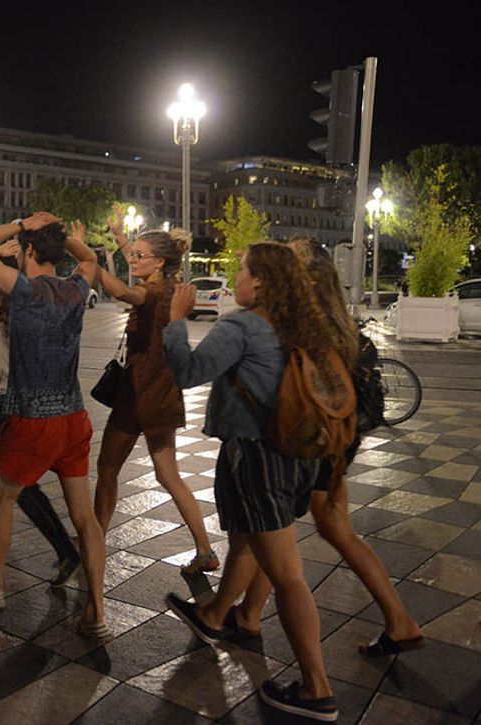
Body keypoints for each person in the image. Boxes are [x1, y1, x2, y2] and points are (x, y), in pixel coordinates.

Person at [163, 242, 341, 722]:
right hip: (297, 454)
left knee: (287, 574)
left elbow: (188, 371)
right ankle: (221, 616)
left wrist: (176, 320)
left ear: (259, 281)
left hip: (256, 457)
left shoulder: (242, 324)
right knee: (249, 540)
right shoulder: (299, 324)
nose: (235, 278)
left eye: (240, 270)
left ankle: (317, 688)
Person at [220, 239, 423, 656]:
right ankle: (250, 614)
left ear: (307, 277)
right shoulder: (334, 320)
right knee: (318, 528)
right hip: (338, 439)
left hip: (319, 442)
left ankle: (245, 618)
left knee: (282, 527)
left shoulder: (308, 324)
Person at [0, 213, 108, 638]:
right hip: (73, 418)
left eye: (24, 250)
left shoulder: (22, 290)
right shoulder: (78, 288)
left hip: (31, 419)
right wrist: (64, 235)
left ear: (30, 252)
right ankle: (96, 610)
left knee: (2, 499)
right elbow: (90, 257)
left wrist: (22, 223)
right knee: (85, 517)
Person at [0, 231, 81, 585]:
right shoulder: (34, 297)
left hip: (7, 399)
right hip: (41, 399)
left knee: (12, 484)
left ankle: (60, 550)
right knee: (1, 480)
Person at [94, 211, 218, 575]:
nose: (133, 260)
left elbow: (122, 291)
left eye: (139, 256)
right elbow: (135, 274)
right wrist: (120, 239)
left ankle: (94, 541)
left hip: (138, 396)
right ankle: (205, 549)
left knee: (106, 469)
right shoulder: (165, 286)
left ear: (160, 261)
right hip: (161, 394)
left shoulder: (152, 291)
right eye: (132, 254)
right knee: (168, 475)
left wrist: (91, 263)